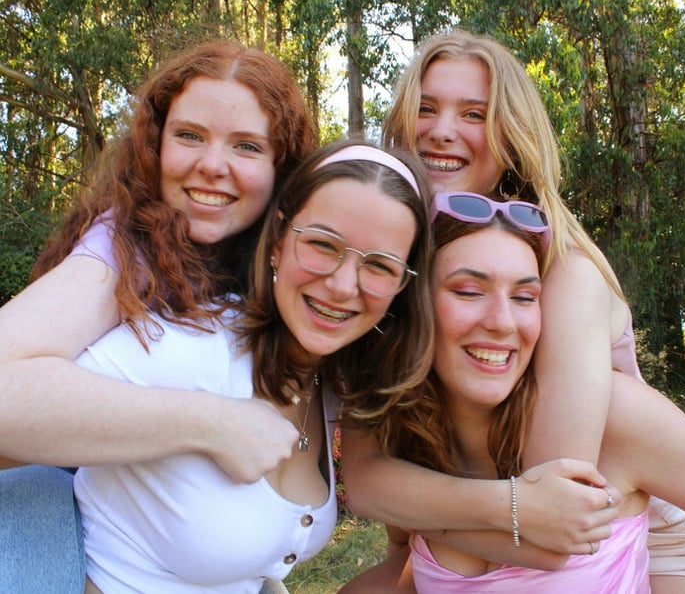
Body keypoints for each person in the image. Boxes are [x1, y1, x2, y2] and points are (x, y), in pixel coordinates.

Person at [341, 28, 685, 592]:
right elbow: (364, 478)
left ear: (511, 136)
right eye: (425, 108)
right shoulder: (396, 261)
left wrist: (417, 511)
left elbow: (544, 525)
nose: (440, 130)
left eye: (474, 114)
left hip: (646, 533)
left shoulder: (564, 270)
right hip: (492, 534)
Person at [0, 38, 316, 592]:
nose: (211, 165)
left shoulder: (269, 270)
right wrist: (210, 423)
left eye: (246, 146)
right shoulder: (125, 247)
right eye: (189, 135)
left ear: (281, 167)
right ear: (155, 143)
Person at [344, 194, 685, 593]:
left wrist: (425, 518)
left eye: (525, 297)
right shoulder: (413, 439)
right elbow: (405, 569)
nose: (502, 321)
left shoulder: (615, 420)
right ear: (414, 308)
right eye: (469, 291)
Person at [71, 139, 433, 592]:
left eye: (379, 266)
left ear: (402, 286)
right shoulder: (196, 346)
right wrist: (204, 422)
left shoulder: (330, 384)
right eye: (323, 244)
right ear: (278, 241)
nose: (343, 286)